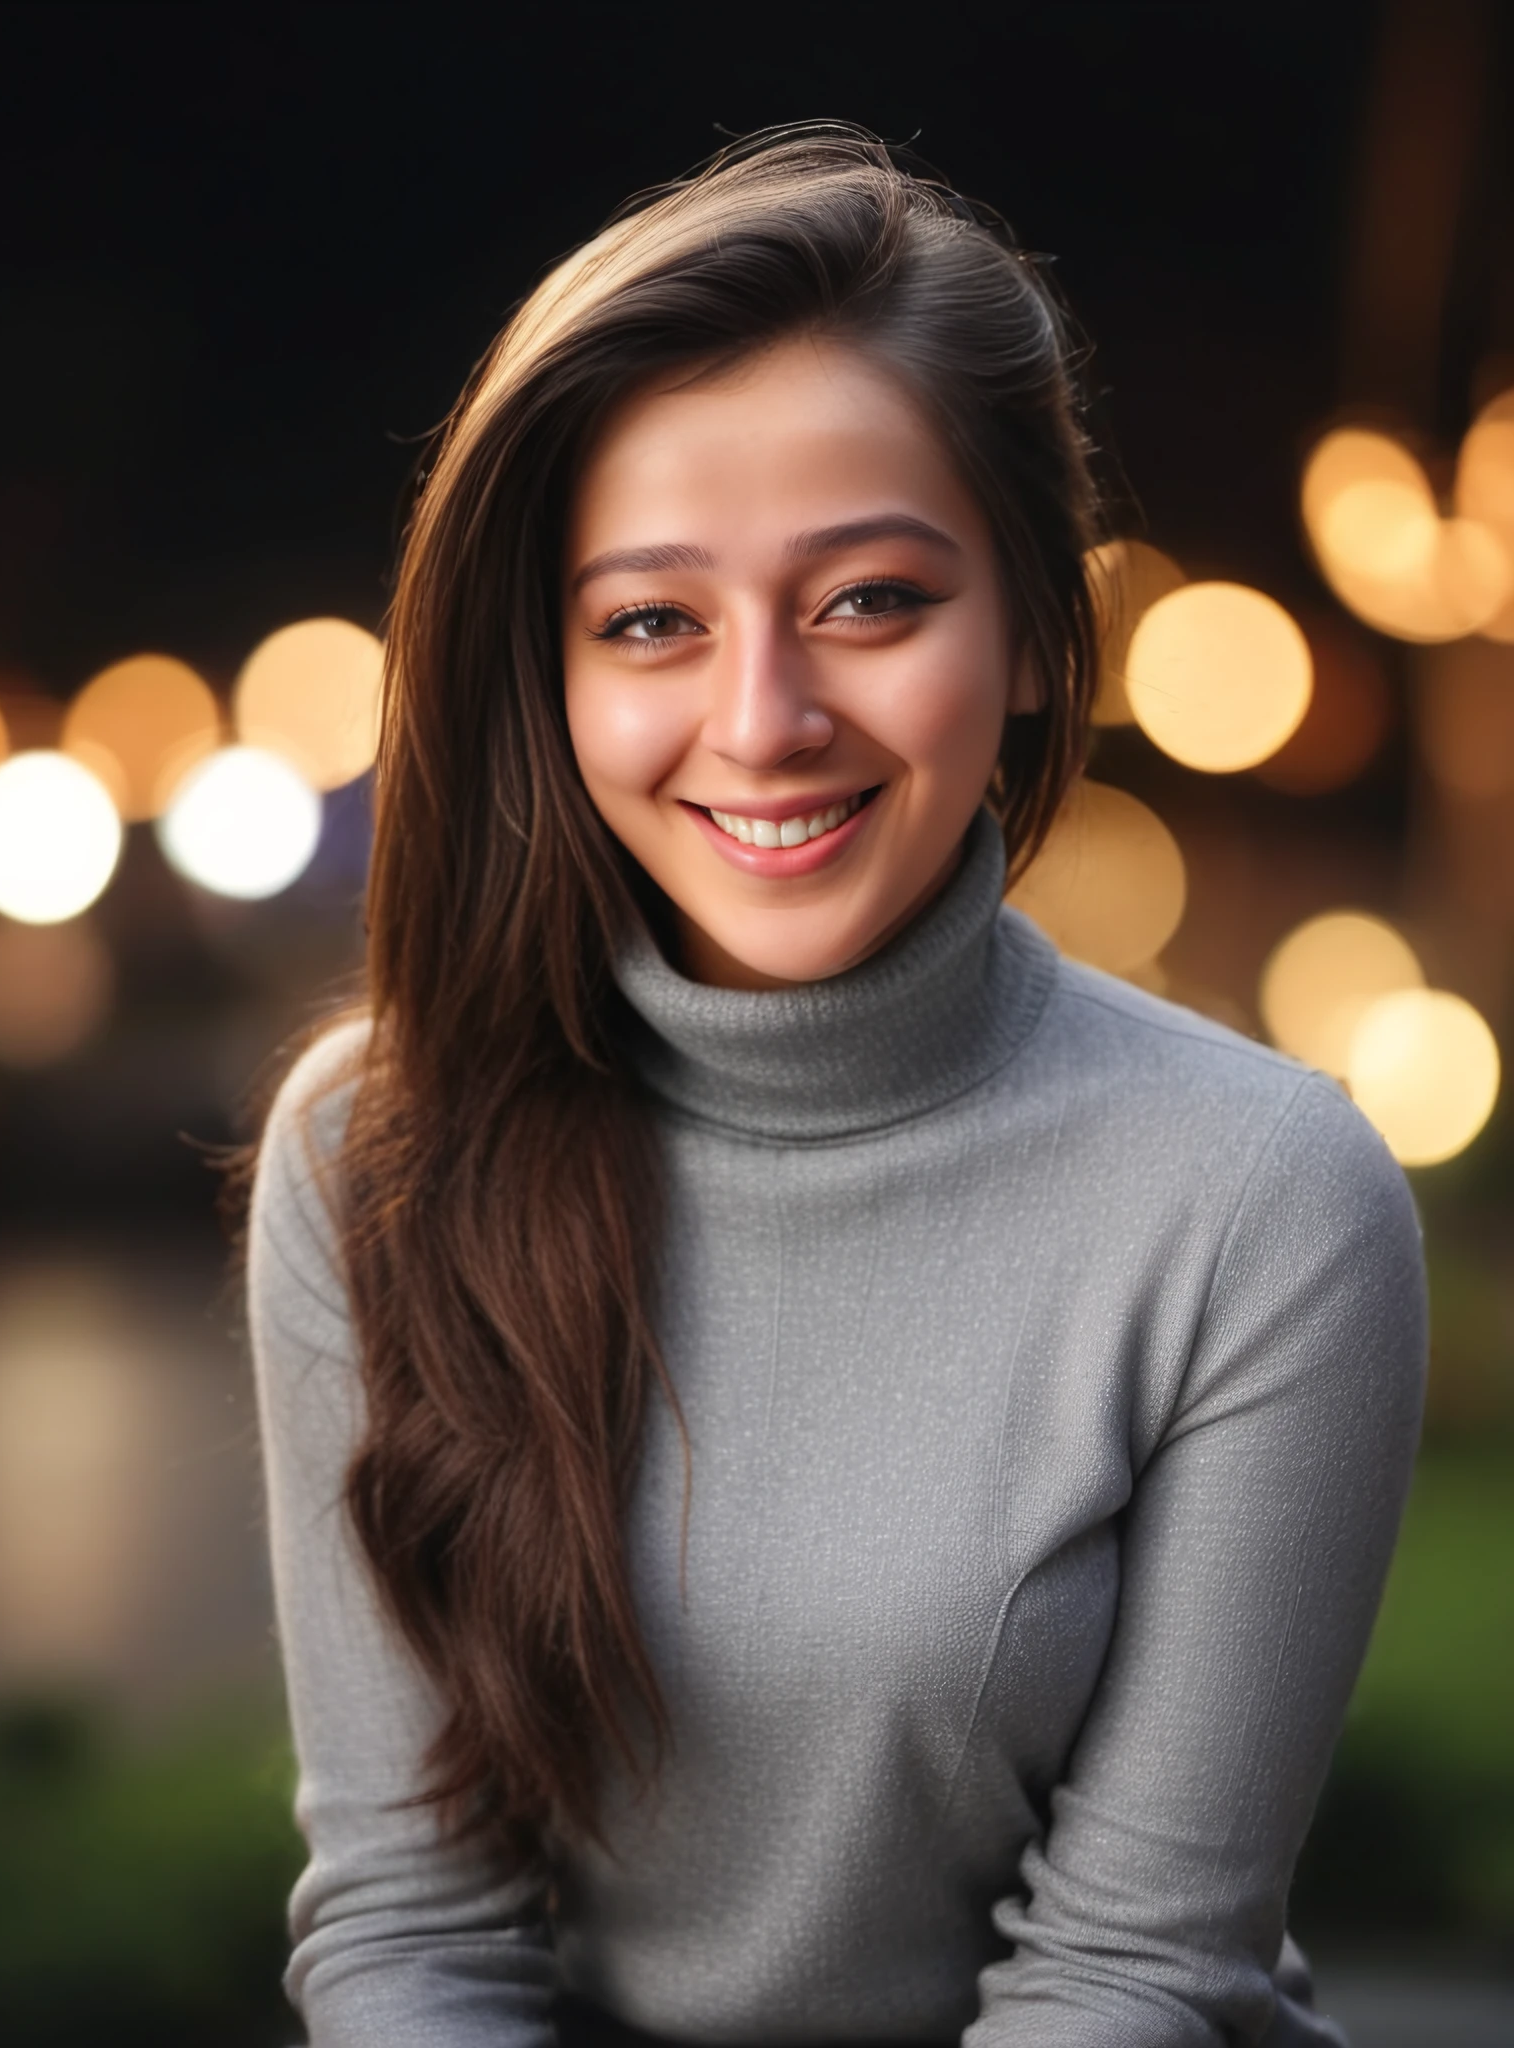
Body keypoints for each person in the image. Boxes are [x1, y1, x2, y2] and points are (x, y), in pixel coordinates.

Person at [244, 124, 1427, 2048]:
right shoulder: (368, 1155)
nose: (764, 719)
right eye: (651, 621)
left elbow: (1132, 1974)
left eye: (870, 599)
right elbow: (408, 1932)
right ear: (542, 676)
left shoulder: (1260, 1196)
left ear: (1041, 633)